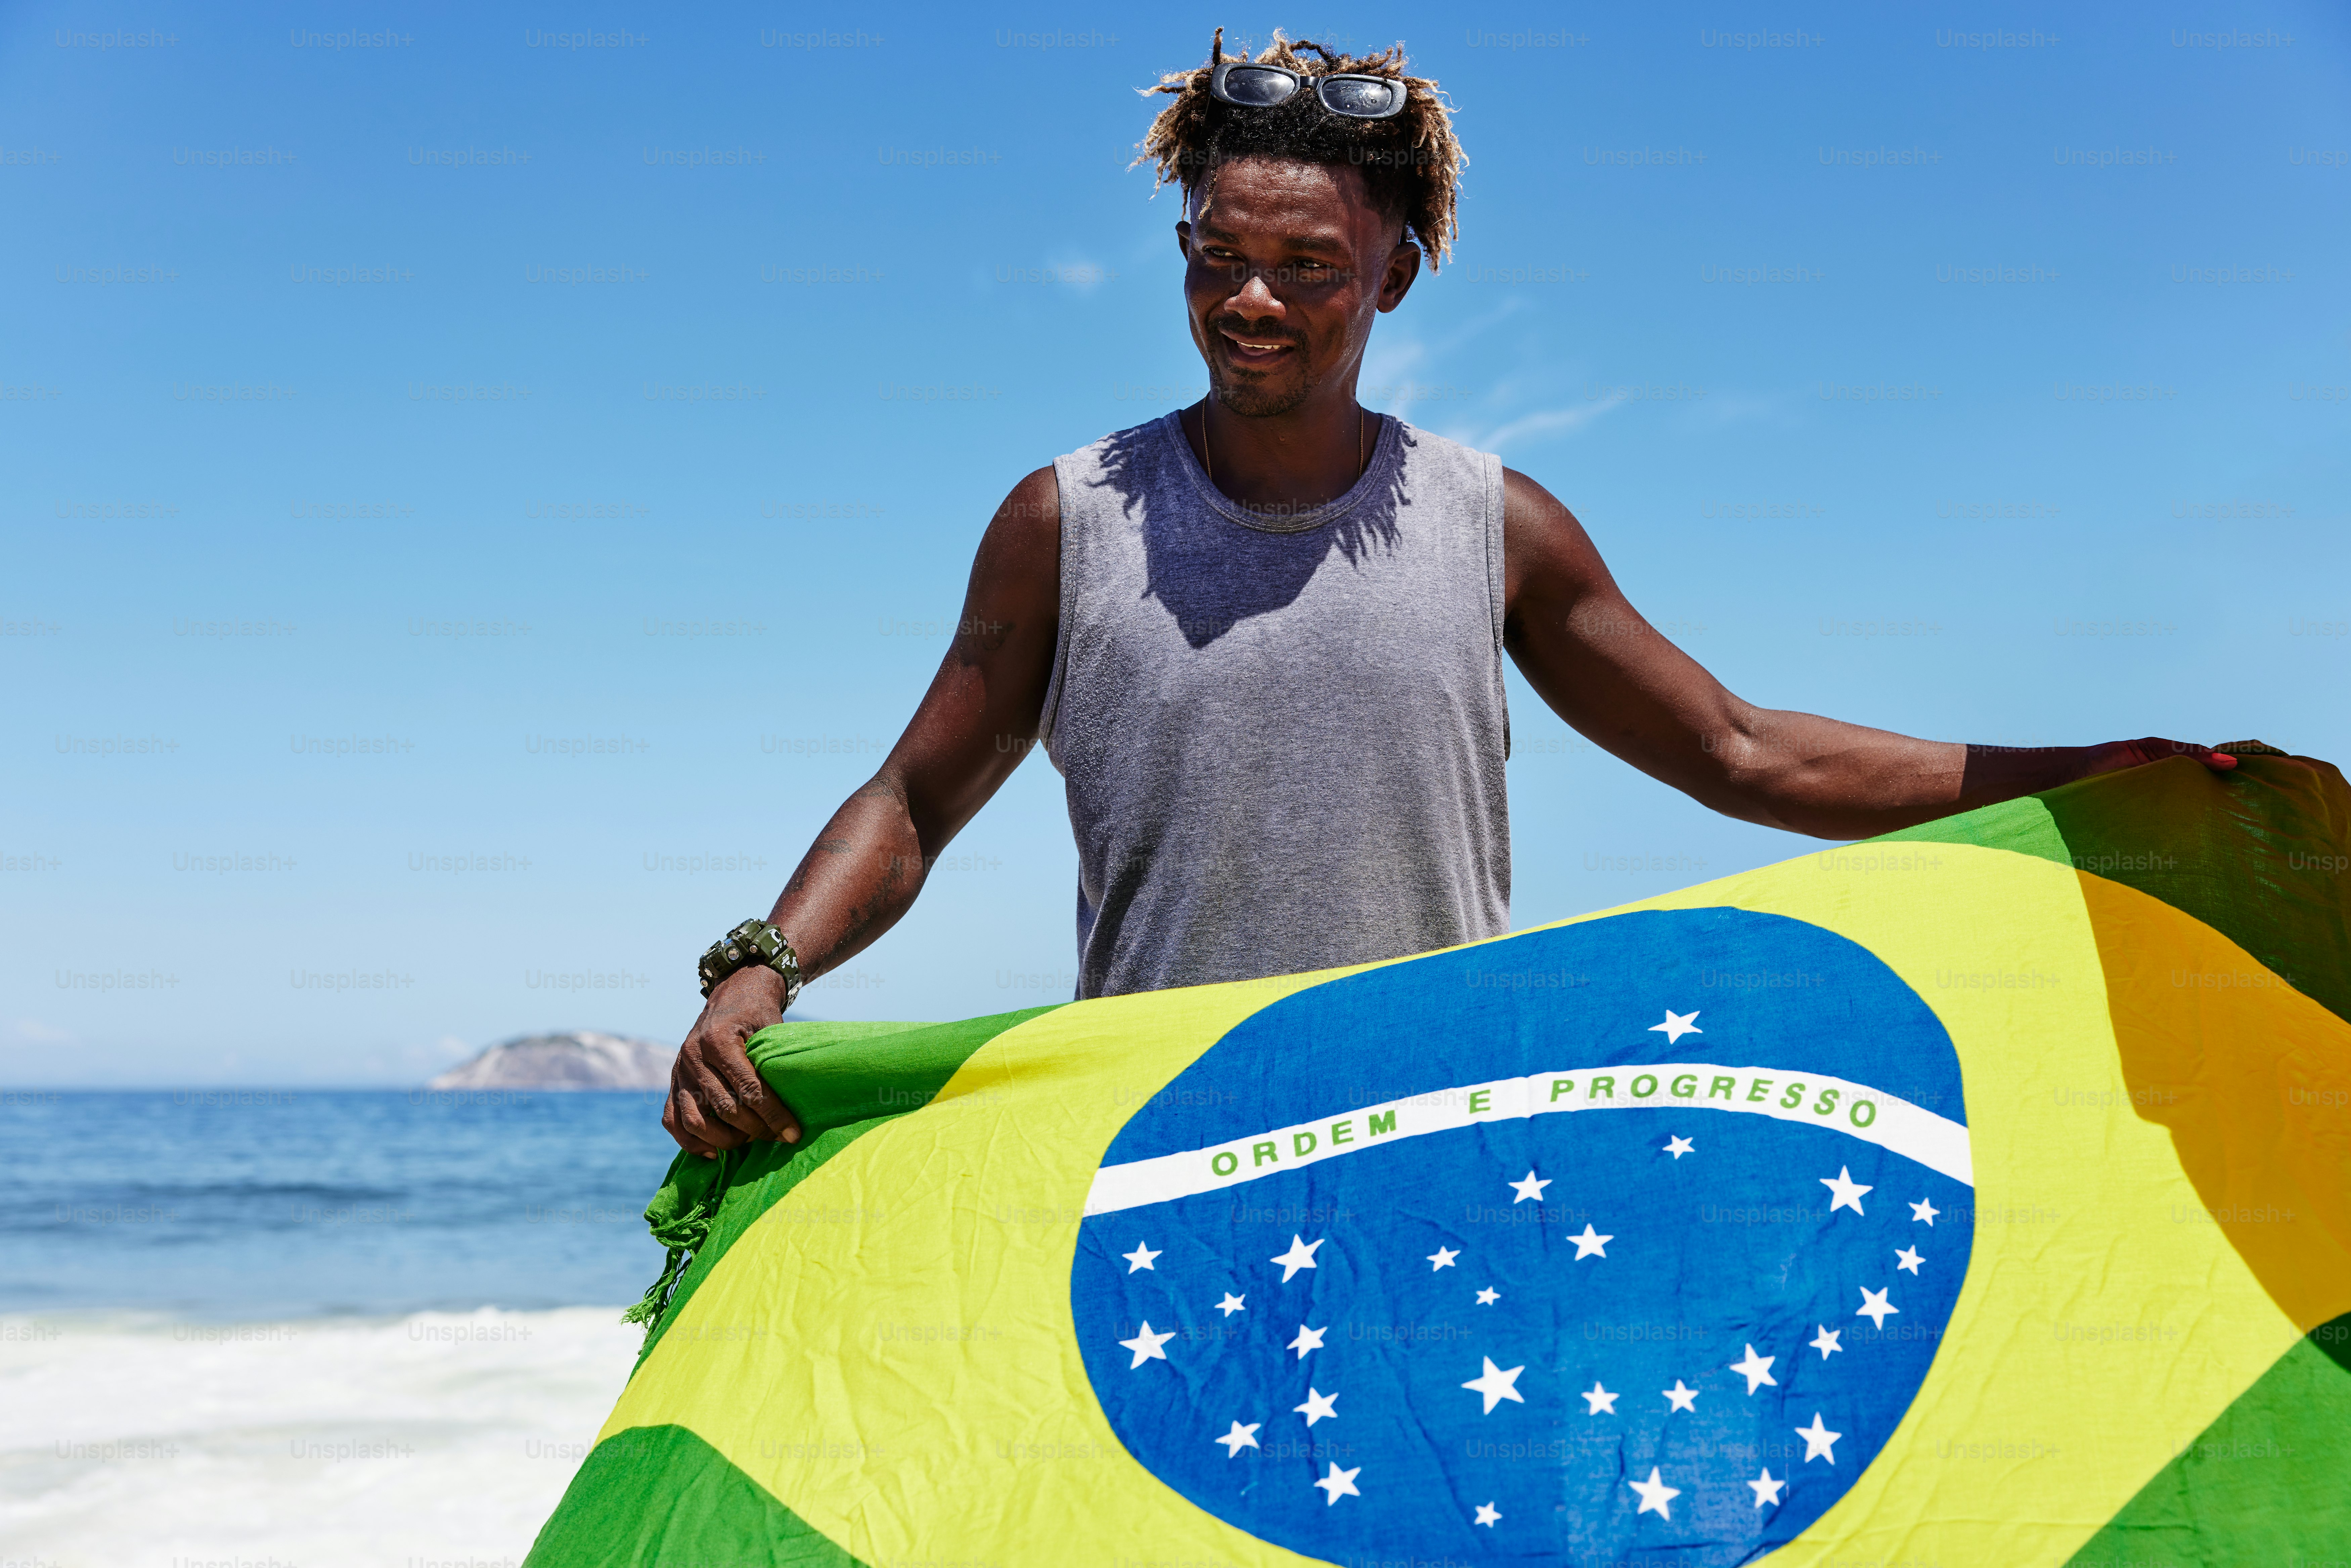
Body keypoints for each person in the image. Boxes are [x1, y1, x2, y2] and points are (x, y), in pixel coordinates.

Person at [662, 31, 2231, 1158]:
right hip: (1150, 1147)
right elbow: (918, 798)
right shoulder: (1064, 520)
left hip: (1439, 1152)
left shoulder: (1497, 528)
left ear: (1397, 273)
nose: (1251, 301)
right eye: (1216, 256)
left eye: (1309, 266)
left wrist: (2092, 778)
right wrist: (764, 971)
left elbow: (1742, 752)